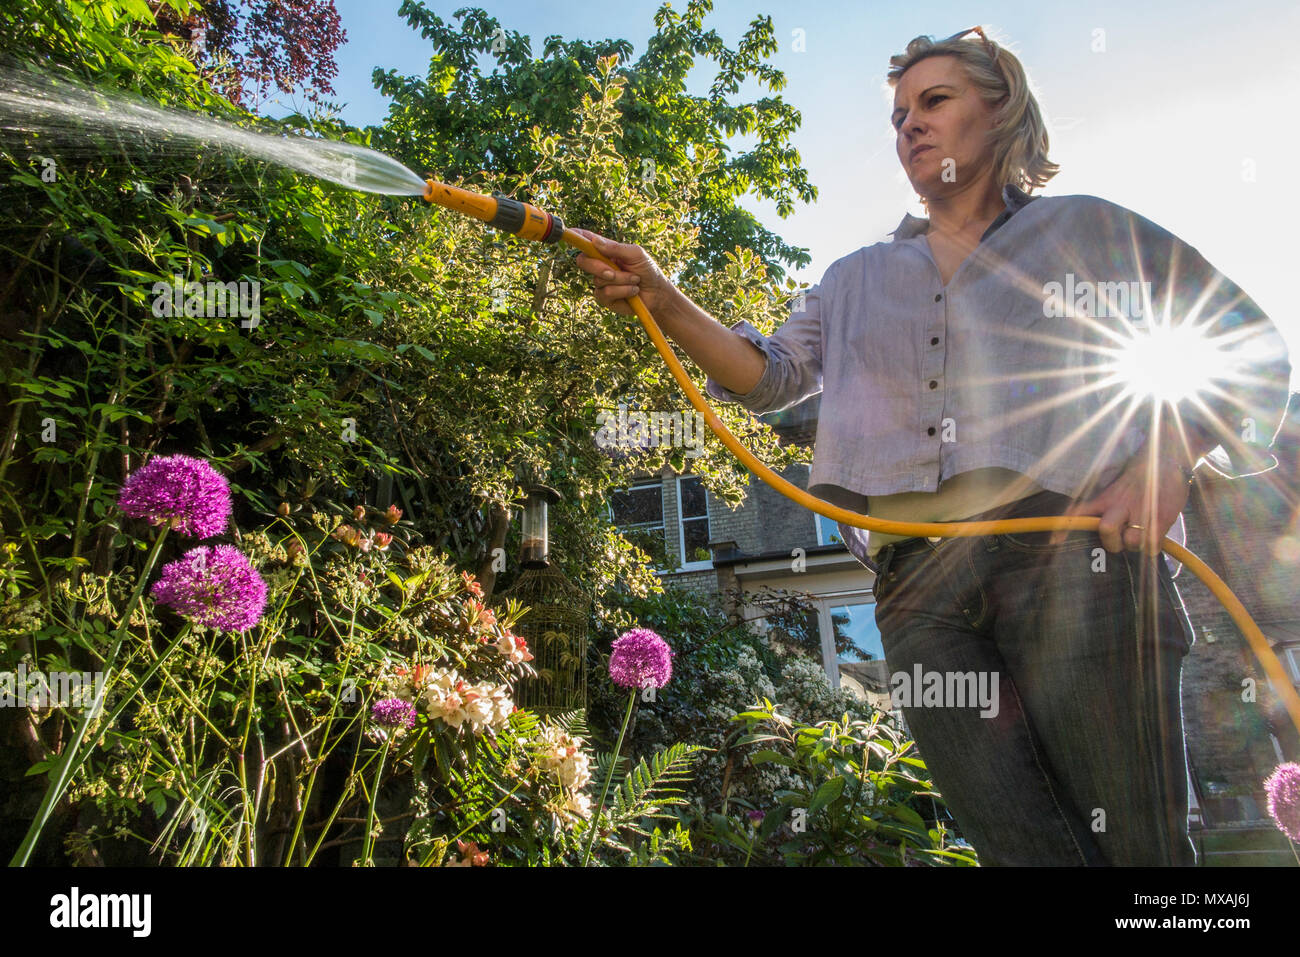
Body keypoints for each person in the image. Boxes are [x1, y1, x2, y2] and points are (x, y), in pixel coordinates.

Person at [572, 28, 1292, 865]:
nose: (910, 124)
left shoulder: (1087, 231)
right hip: (919, 597)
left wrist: (1171, 455)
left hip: (1077, 561)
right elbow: (768, 377)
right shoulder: (853, 277)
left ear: (1003, 110)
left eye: (935, 101)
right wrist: (663, 294)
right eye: (899, 113)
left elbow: (1245, 337)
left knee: (1142, 848)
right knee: (1025, 853)